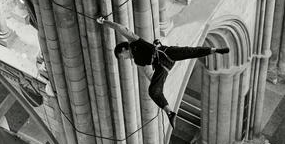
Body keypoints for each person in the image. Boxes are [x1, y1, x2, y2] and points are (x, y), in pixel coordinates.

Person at [97, 16, 228, 126]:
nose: (125, 59)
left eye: (122, 57)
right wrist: (158, 85)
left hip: (164, 53)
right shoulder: (137, 62)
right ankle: (170, 112)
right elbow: (148, 73)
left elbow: (120, 28)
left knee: (188, 52)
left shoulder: (133, 42)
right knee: (152, 91)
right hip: (162, 67)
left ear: (124, 50)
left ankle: (214, 50)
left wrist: (104, 22)